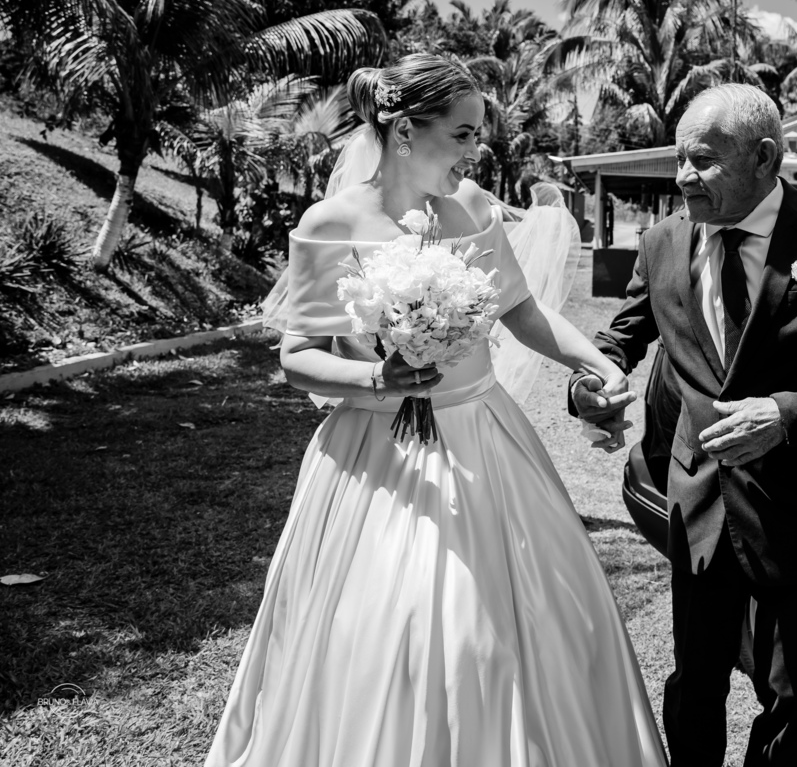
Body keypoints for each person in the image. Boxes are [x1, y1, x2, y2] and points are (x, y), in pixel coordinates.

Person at [206, 54, 666, 767]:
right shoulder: (331, 223)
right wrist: (379, 376)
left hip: (486, 438)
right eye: (462, 134)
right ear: (403, 132)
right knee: (398, 629)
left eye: (477, 134)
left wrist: (597, 363)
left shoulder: (475, 208)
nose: (475, 151)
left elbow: (522, 312)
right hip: (376, 456)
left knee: (515, 626)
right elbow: (297, 357)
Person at [571, 84, 797, 766]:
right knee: (694, 683)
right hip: (700, 505)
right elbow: (621, 337)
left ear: (764, 158)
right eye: (679, 159)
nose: (682, 177)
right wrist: (589, 385)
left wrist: (786, 415)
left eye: (702, 161)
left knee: (790, 696)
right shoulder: (663, 241)